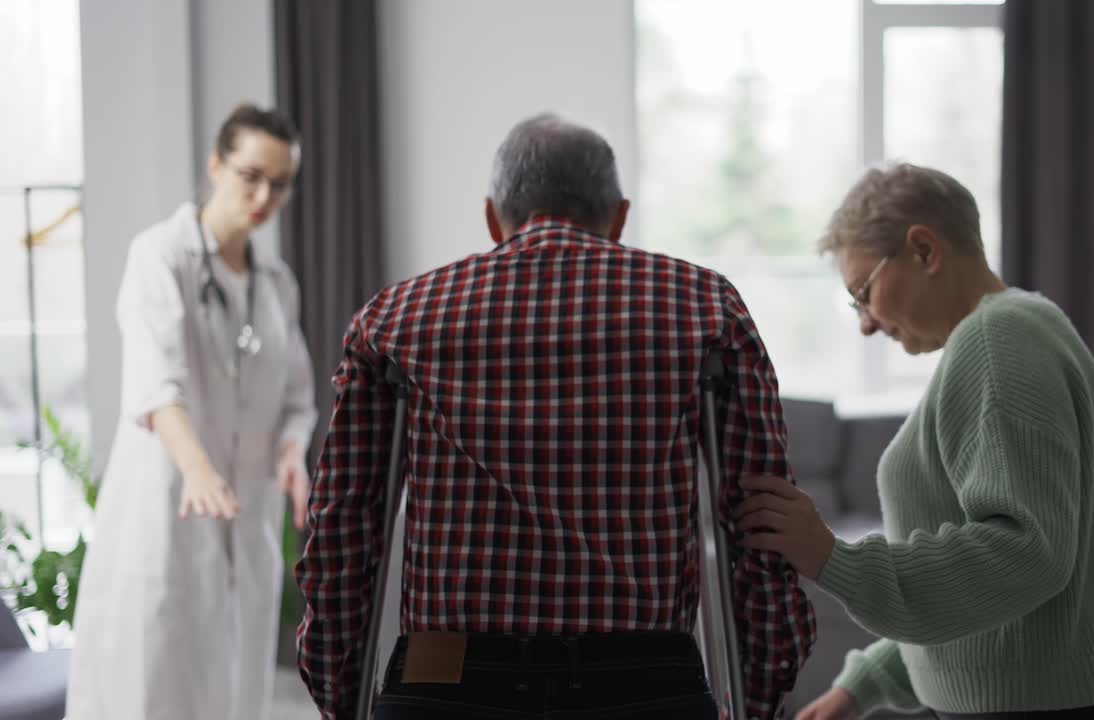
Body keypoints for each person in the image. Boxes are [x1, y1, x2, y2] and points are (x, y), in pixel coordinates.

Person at [295, 113, 816, 720]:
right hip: (646, 680)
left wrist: (337, 683)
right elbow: (761, 520)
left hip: (446, 678)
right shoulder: (705, 307)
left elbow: (344, 520)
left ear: (493, 218)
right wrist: (762, 686)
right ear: (619, 218)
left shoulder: (396, 317)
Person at [733, 163, 1094, 719]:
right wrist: (863, 685)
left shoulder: (996, 340)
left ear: (924, 251)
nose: (866, 323)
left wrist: (833, 558)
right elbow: (989, 596)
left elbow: (1025, 554)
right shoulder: (1023, 326)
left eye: (863, 293)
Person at [66, 104, 317, 720]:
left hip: (246, 514)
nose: (264, 197)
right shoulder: (160, 256)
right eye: (250, 176)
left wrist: (291, 453)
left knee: (235, 686)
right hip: (170, 508)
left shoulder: (277, 283)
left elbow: (296, 395)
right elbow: (156, 385)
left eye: (280, 183)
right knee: (153, 685)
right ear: (216, 165)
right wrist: (198, 470)